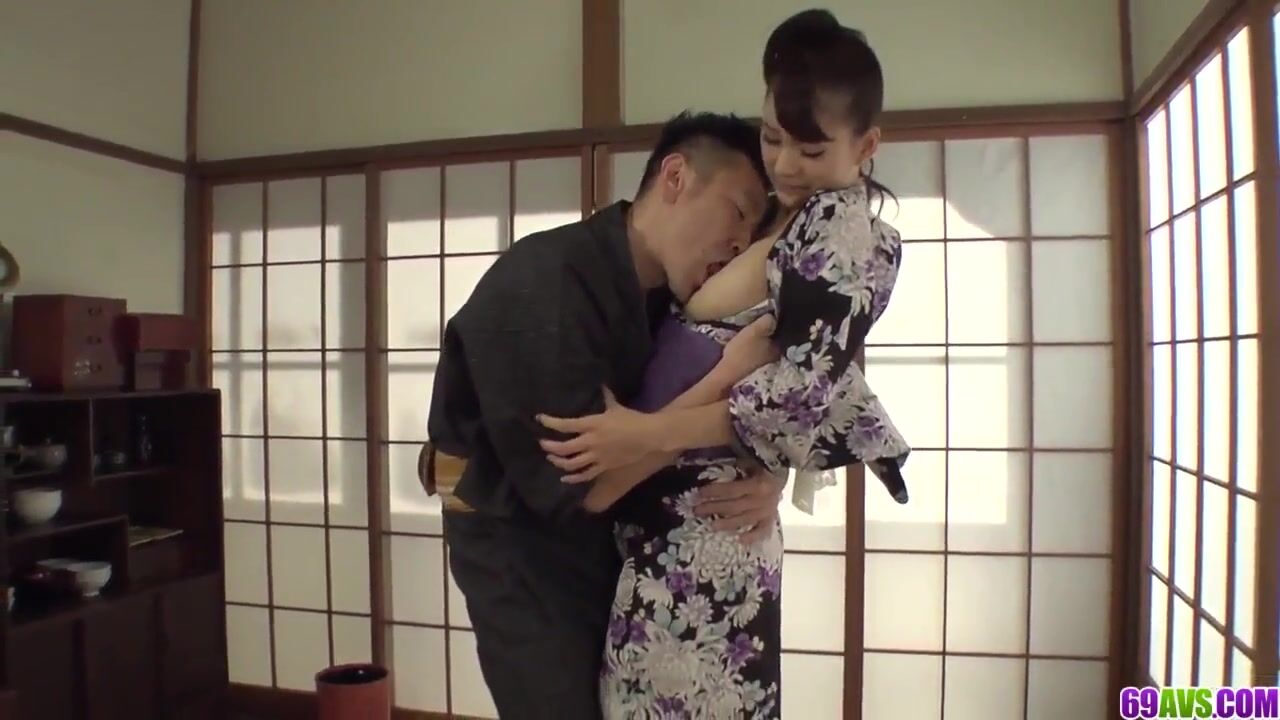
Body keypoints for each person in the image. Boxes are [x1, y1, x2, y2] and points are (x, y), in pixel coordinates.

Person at [535, 10, 910, 717]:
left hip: (710, 537)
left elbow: (800, 394)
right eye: (772, 138)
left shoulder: (847, 236)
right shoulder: (782, 212)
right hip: (659, 528)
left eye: (811, 148)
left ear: (867, 146)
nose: (785, 164)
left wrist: (648, 433)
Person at [425, 111, 789, 720]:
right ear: (676, 176)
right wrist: (714, 392)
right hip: (516, 538)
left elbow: (771, 394)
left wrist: (769, 473)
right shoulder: (546, 282)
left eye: (754, 230)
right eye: (737, 211)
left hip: (617, 537)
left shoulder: (675, 294)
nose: (739, 242)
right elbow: (587, 484)